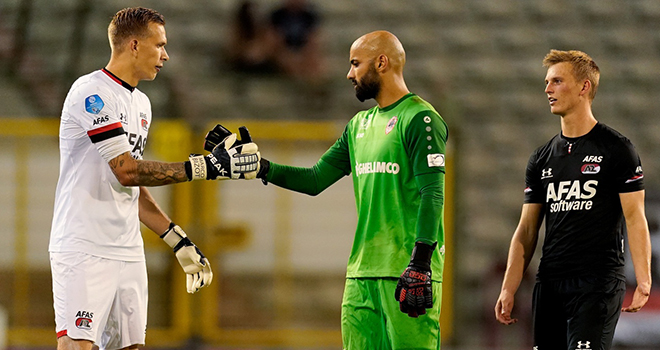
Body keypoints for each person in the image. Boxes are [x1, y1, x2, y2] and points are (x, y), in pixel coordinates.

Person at [48, 7, 259, 350]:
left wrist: (178, 240)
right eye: (159, 45)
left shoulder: (142, 104)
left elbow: (132, 189)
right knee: (78, 346)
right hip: (84, 247)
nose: (166, 55)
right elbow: (126, 170)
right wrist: (203, 167)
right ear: (133, 45)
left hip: (127, 249)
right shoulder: (91, 92)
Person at [252, 30, 448, 349]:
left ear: (381, 63)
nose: (349, 73)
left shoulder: (421, 118)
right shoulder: (358, 125)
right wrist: (261, 167)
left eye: (356, 63)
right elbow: (315, 179)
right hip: (360, 276)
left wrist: (420, 263)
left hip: (408, 274)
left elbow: (433, 194)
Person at [494, 50, 652, 350]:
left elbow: (635, 217)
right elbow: (527, 229)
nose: (547, 89)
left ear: (584, 87)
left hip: (598, 282)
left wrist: (644, 279)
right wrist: (509, 287)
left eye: (557, 81)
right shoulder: (541, 158)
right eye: (546, 82)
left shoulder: (617, 149)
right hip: (550, 281)